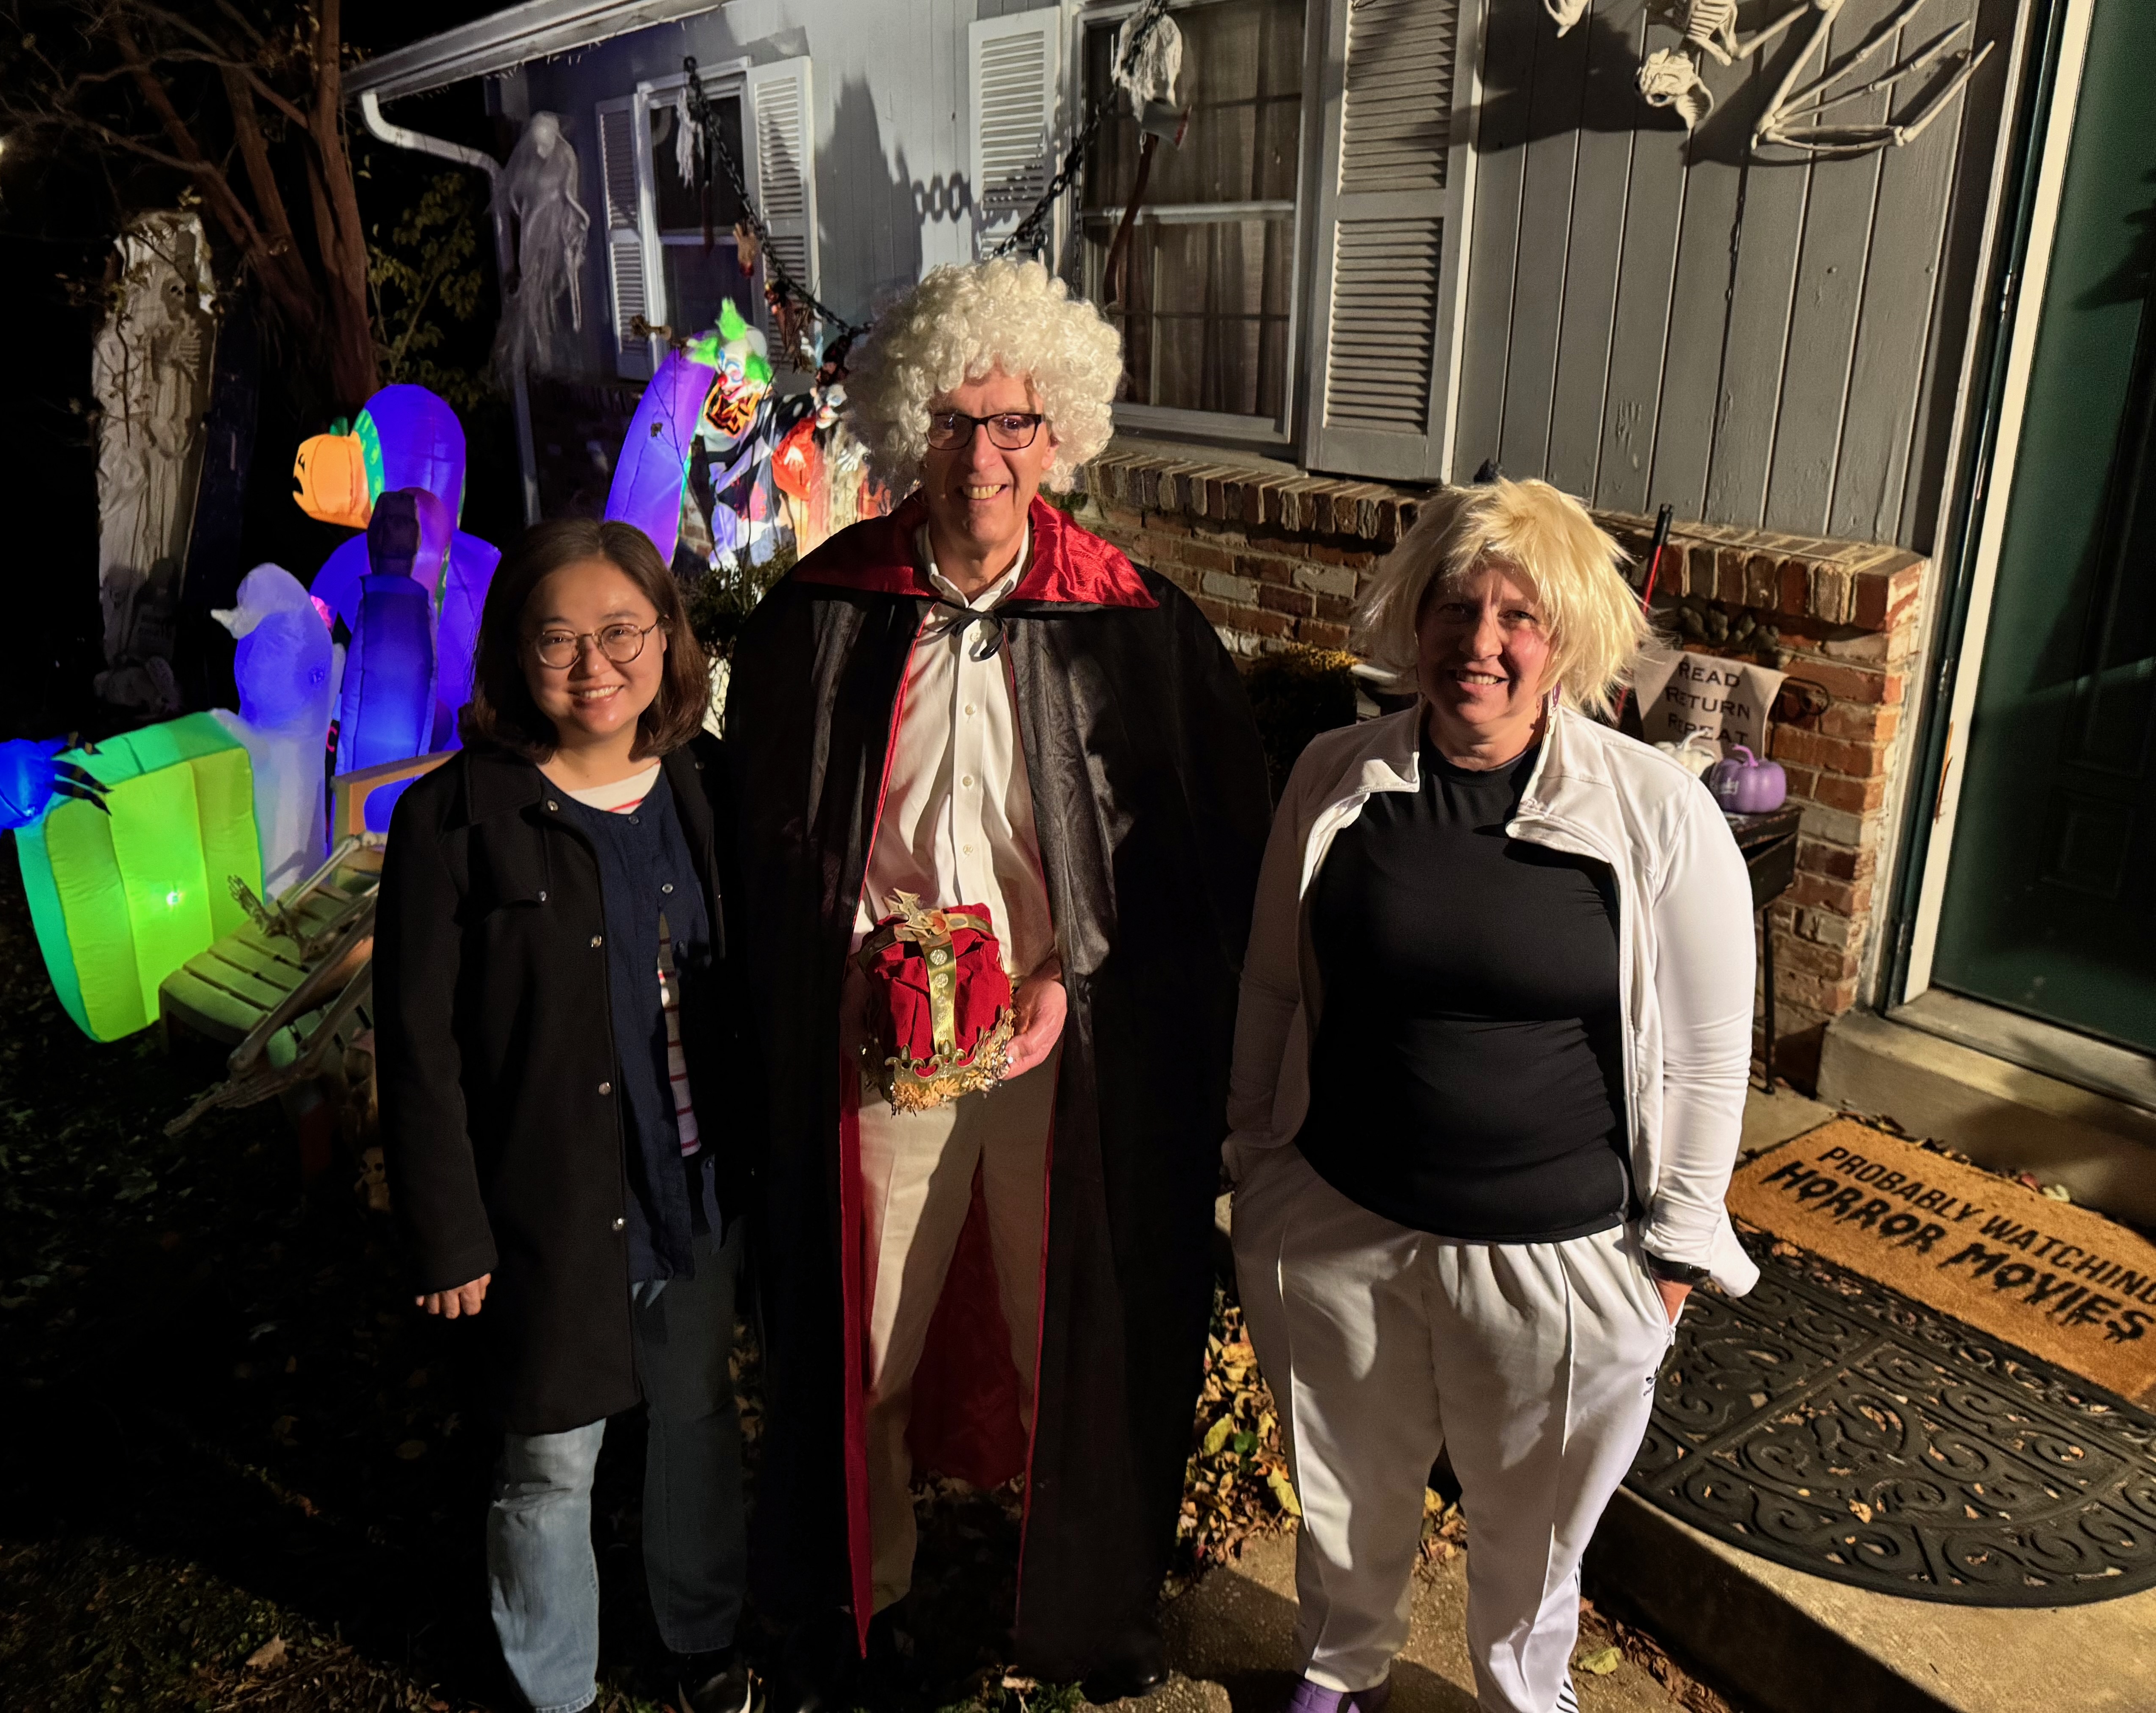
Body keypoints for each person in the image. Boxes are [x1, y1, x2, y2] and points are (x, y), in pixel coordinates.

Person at [722, 257, 1271, 1705]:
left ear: (1058, 432)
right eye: (958, 425)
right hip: (876, 1054)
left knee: (1073, 1340)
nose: (985, 456)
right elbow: (772, 841)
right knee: (867, 1348)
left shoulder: (1133, 627)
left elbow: (1189, 869)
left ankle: (1082, 1609)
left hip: (1056, 1056)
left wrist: (1074, 986)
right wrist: (837, 966)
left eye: (1014, 422)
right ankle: (864, 1601)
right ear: (917, 430)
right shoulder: (825, 617)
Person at [1224, 478, 1757, 1713]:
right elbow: (1268, 985)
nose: (1482, 640)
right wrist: (1258, 1158)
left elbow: (1707, 1050)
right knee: (1347, 1480)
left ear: (1564, 639)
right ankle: (1338, 1666)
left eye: (1519, 615)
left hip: (1563, 1256)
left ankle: (1525, 1692)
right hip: (1341, 1221)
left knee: (1535, 1531)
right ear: (1412, 621)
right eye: (1455, 605)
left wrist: (1672, 1254)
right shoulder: (1330, 773)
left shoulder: (1657, 811)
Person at [377, 519, 755, 1713]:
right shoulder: (455, 822)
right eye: (558, 639)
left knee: (695, 1410)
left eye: (621, 632)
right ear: (512, 651)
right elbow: (417, 1045)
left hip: (690, 1179)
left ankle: (701, 1637)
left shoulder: (707, 785)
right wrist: (449, 1232)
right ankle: (556, 1688)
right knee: (549, 1456)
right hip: (547, 1202)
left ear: (666, 640)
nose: (595, 665)